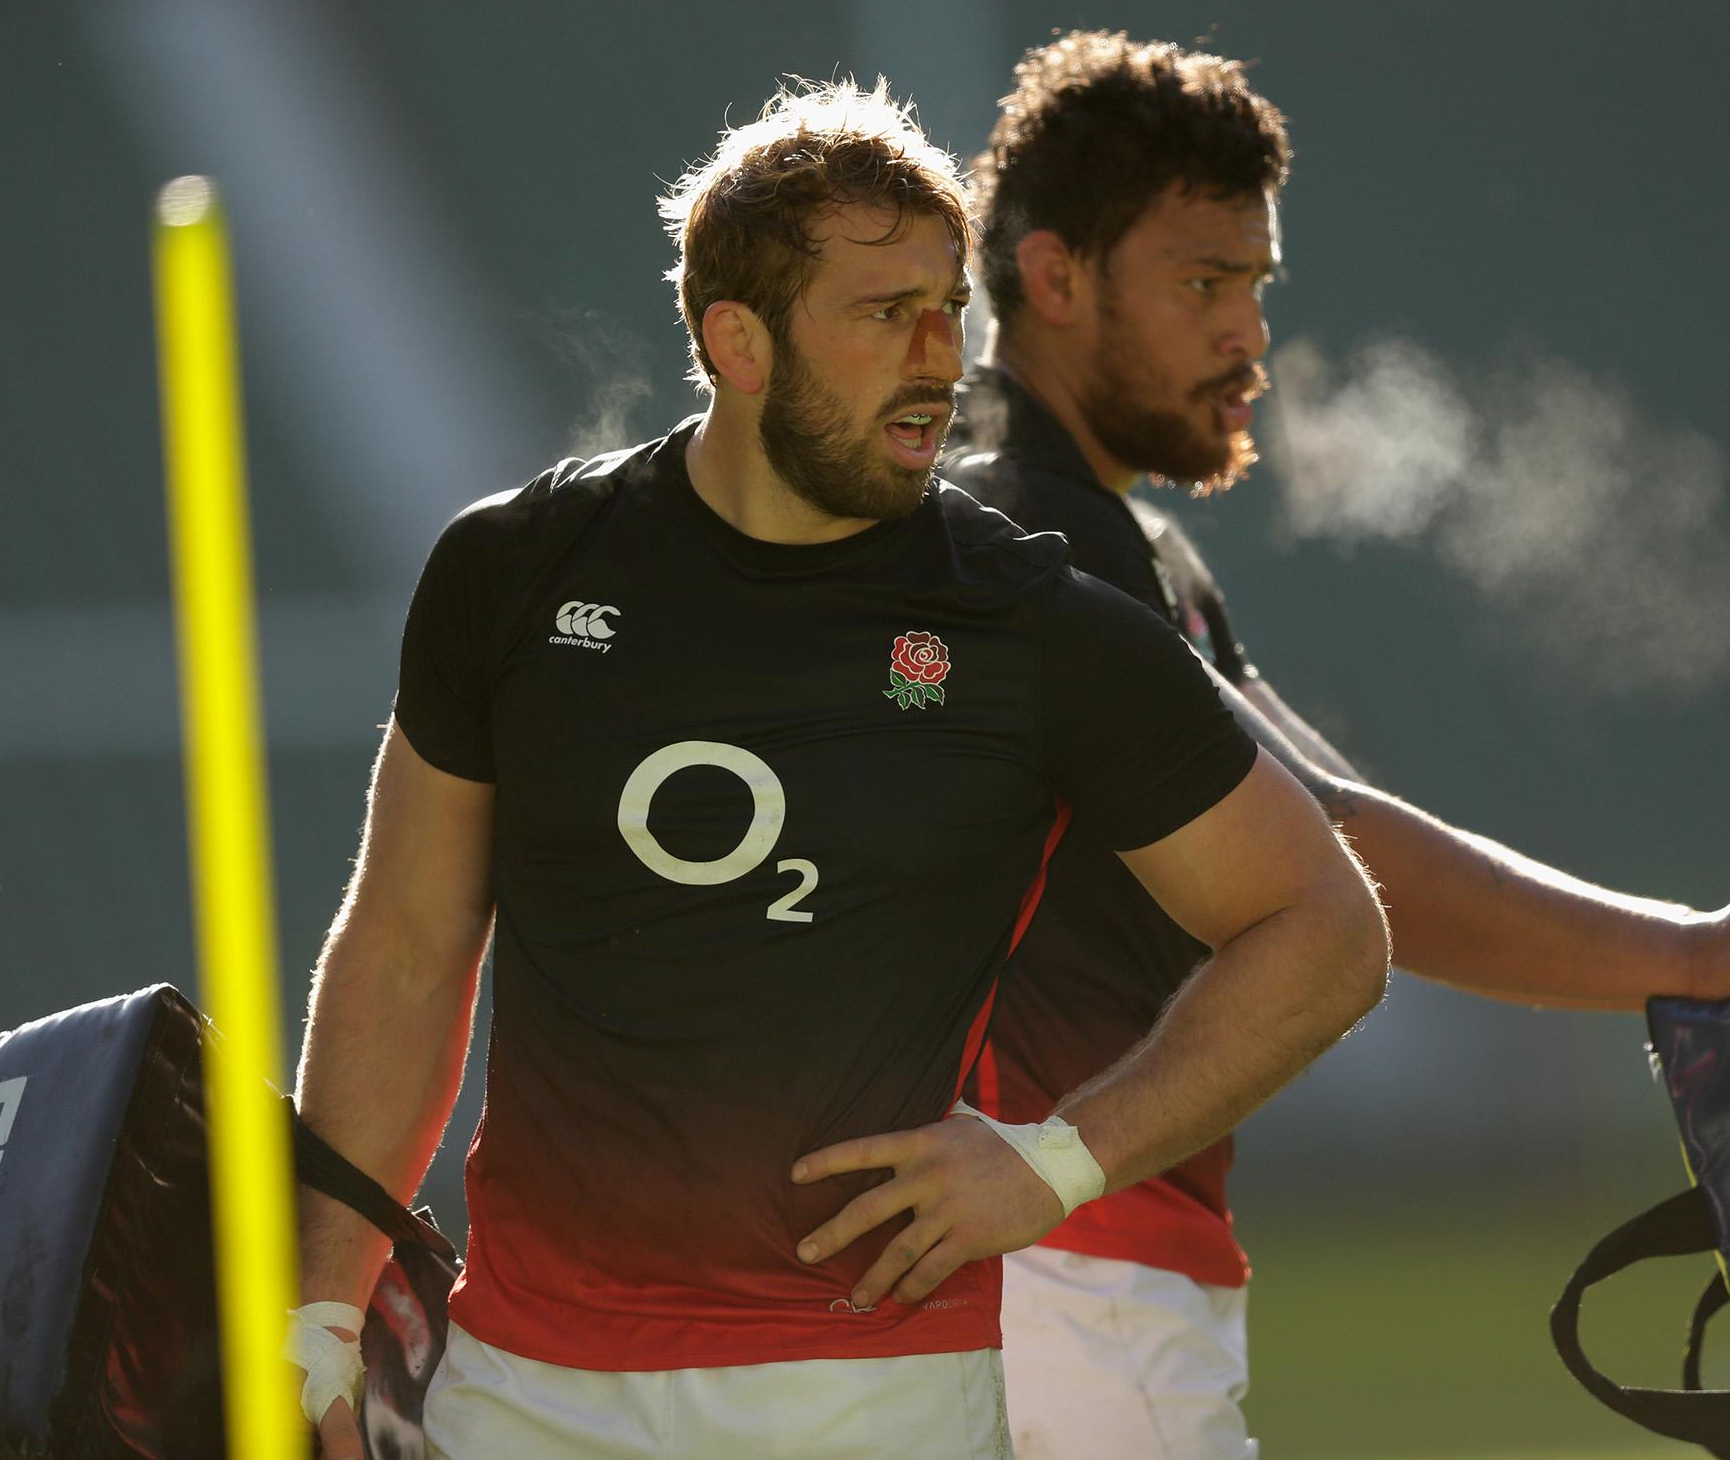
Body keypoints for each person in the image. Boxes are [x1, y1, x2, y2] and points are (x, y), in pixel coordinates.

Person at [284, 78, 1389, 1460]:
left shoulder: (1031, 626)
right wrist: (319, 1320)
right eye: (885, 315)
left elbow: (1326, 930)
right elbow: (400, 947)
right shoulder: (512, 571)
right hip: (523, 1392)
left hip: (871, 1405)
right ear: (736, 342)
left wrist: (1055, 1162)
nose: (939, 358)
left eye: (950, 311)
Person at [942, 29, 1730, 1460]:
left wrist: (1693, 946)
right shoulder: (1027, 523)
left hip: (1056, 1269)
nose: (1248, 333)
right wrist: (1694, 954)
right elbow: (1336, 847)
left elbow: (1352, 835)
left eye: (1256, 285)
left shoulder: (1123, 544)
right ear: (1053, 277)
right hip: (1057, 1279)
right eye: (1202, 283)